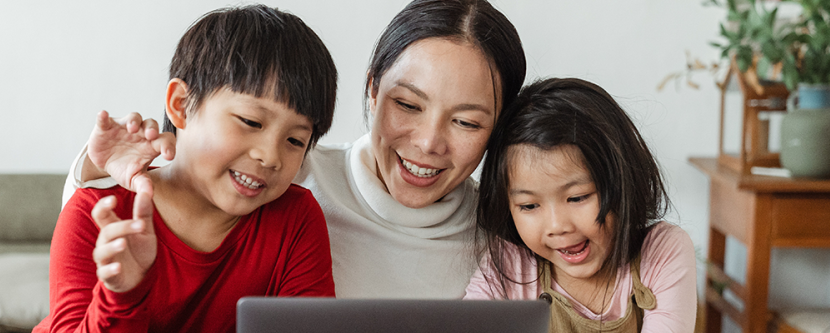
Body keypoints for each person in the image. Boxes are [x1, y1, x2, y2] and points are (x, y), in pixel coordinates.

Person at [66, 0, 526, 298]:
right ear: (372, 90)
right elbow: (126, 233)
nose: (428, 143)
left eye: (466, 121)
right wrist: (91, 168)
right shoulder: (287, 178)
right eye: (407, 104)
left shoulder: (513, 235)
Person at [34, 5, 338, 333]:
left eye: (295, 140)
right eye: (251, 121)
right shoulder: (98, 214)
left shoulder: (296, 218)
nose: (270, 156)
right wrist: (121, 296)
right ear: (181, 105)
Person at [464, 78, 697, 332]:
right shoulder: (509, 264)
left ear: (621, 182)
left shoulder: (660, 252)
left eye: (577, 198)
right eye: (529, 206)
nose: (557, 226)